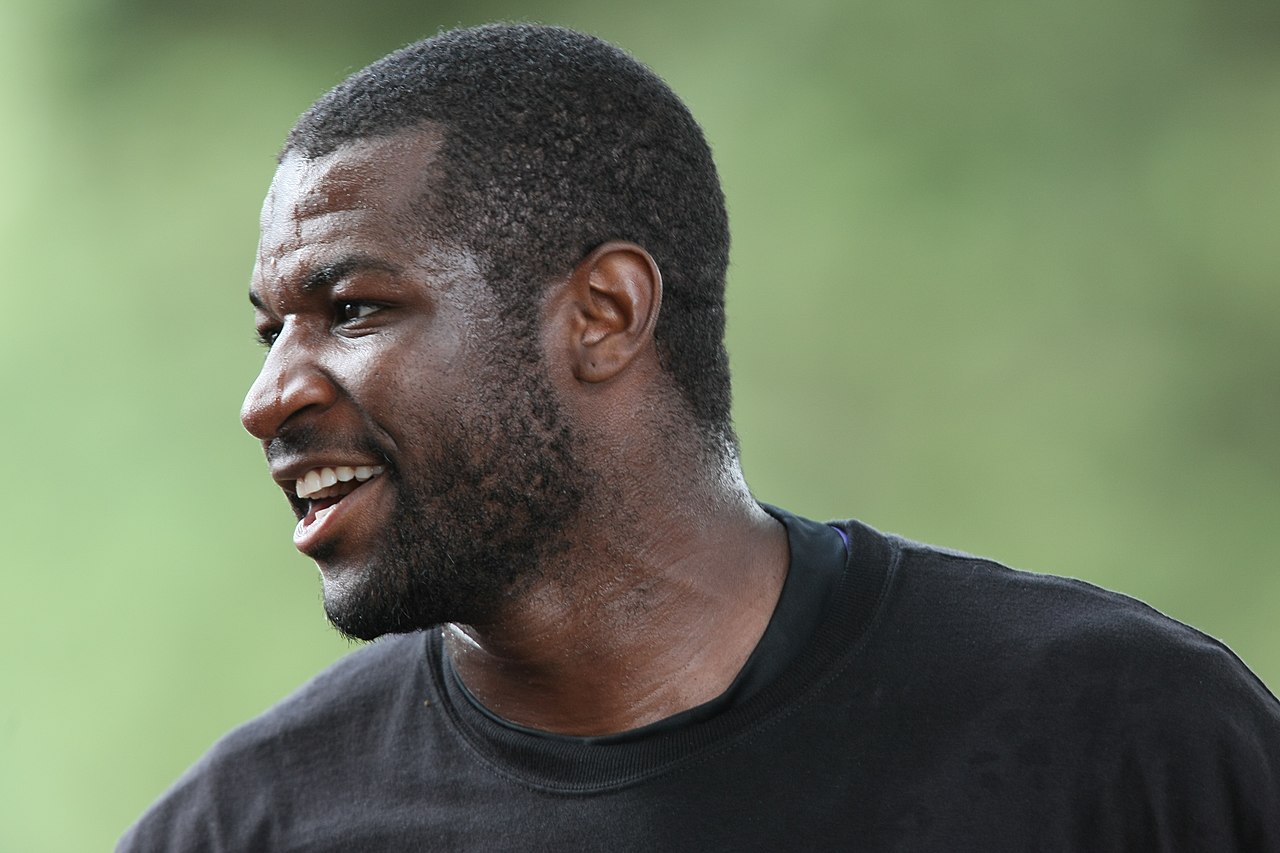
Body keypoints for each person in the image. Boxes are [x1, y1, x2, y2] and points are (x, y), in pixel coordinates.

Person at [119, 23, 1280, 852]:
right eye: (271, 331)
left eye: (353, 309)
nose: (267, 396)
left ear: (604, 314)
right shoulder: (245, 826)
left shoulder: (1123, 736)